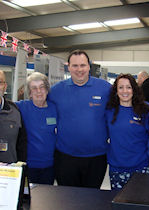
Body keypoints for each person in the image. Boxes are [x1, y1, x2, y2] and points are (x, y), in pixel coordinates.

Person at [48, 50, 111, 188]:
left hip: (97, 157)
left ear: (89, 66)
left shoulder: (105, 89)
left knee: (91, 199)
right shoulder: (56, 91)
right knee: (68, 200)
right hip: (65, 157)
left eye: (83, 65)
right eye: (75, 66)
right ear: (68, 67)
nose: (79, 70)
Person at [106, 73, 149, 190]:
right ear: (116, 90)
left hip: (141, 167)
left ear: (134, 90)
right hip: (117, 168)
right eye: (121, 87)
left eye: (128, 87)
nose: (125, 91)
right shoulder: (109, 111)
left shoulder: (146, 110)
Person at [15, 72, 57, 185]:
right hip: (29, 165)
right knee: (29, 200)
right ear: (29, 93)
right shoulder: (21, 107)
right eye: (34, 88)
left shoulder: (55, 109)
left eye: (42, 87)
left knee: (46, 198)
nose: (38, 91)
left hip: (50, 166)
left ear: (47, 90)